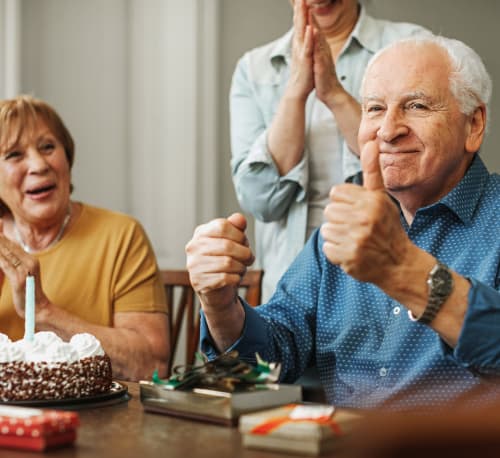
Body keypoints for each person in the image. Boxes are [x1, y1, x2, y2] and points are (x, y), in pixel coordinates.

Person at [186, 35, 500, 409]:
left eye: (416, 106)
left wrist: (404, 270)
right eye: (375, 109)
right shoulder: (339, 229)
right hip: (339, 457)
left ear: (474, 125)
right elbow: (269, 361)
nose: (388, 130)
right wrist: (220, 305)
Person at [230, 0, 429, 301]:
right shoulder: (253, 68)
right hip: (289, 289)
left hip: (384, 285)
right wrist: (297, 89)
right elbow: (260, 201)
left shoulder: (412, 48)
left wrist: (333, 93)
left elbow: (415, 174)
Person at [0, 95, 169, 381]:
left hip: (97, 420)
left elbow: (152, 364)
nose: (39, 165)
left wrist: (43, 311)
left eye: (48, 147)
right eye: (14, 155)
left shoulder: (120, 236)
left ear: (67, 156)